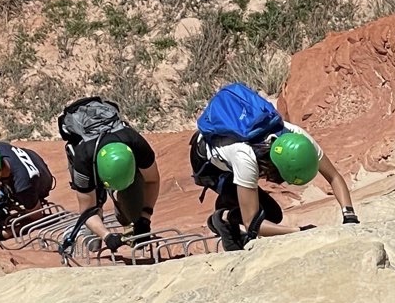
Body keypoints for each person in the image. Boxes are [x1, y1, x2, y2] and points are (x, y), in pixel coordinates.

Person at [189, 83, 357, 251]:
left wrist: (349, 215)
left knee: (271, 214)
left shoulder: (296, 136)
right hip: (210, 166)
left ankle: (230, 209)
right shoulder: (245, 157)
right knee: (269, 215)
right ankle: (222, 218)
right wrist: (297, 231)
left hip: (234, 154)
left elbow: (334, 177)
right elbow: (252, 224)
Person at [58, 97, 160, 253]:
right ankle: (95, 232)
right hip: (87, 150)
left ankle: (125, 214)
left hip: (115, 143)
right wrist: (107, 236)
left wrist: (145, 218)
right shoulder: (82, 159)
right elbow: (86, 210)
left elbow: (152, 181)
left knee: (134, 211)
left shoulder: (136, 143)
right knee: (94, 227)